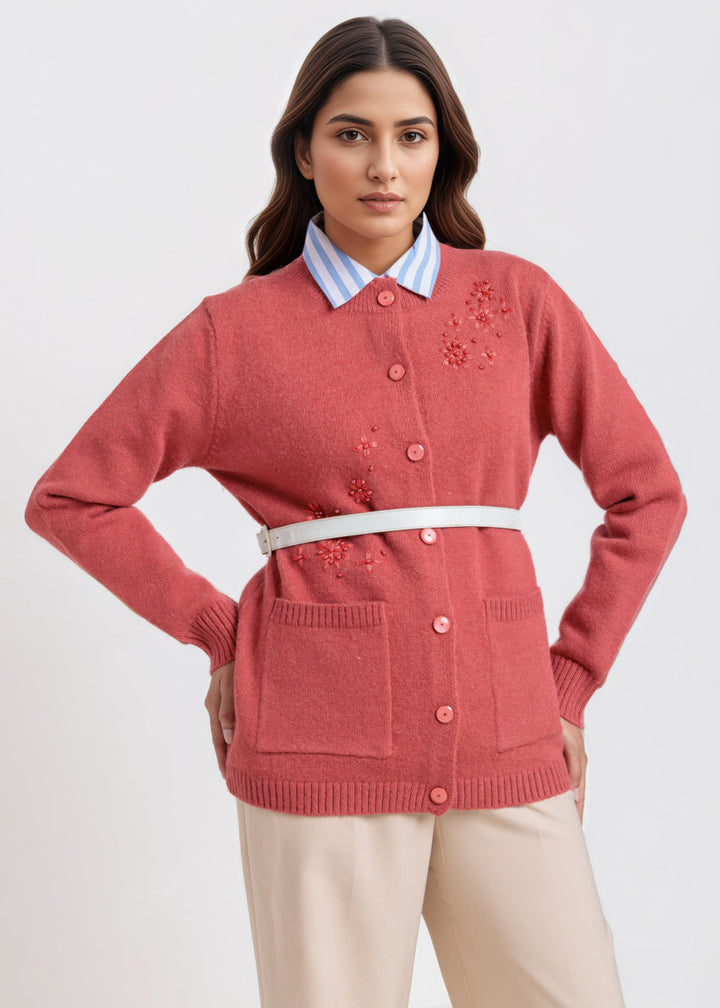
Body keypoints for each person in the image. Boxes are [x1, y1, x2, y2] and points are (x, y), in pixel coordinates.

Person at [24, 15, 687, 1008]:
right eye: (351, 134)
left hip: (509, 737)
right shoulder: (236, 334)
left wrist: (573, 676)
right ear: (304, 150)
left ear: (441, 150)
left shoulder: (518, 302)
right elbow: (74, 497)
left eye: (411, 136)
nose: (384, 165)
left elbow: (648, 493)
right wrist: (218, 630)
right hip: (314, 745)